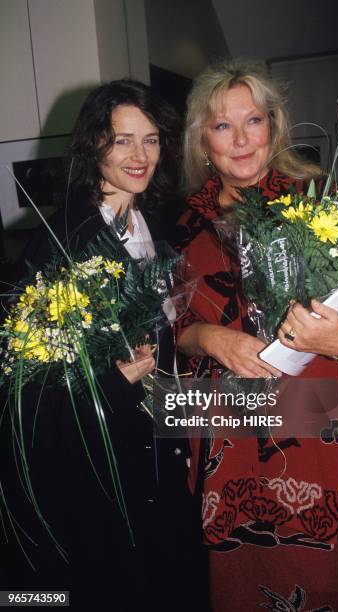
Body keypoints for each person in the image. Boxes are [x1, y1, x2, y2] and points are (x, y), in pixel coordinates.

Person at [175, 59, 338, 611]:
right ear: (202, 142)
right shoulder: (185, 227)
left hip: (316, 444)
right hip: (226, 448)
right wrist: (208, 338)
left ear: (274, 126)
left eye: (253, 120)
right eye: (222, 126)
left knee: (320, 584)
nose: (241, 139)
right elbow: (169, 329)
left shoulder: (321, 198)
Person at [1, 79, 207, 611]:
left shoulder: (153, 225)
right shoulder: (61, 240)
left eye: (153, 139)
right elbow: (30, 395)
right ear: (94, 144)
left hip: (160, 453)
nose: (140, 156)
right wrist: (116, 384)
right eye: (122, 140)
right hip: (100, 475)